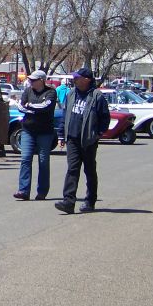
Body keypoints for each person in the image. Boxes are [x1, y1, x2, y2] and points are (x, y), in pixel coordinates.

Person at [54, 67, 111, 214]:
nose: (75, 80)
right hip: (72, 138)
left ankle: (90, 201)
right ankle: (68, 201)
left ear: (87, 80)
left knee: (89, 170)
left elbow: (105, 118)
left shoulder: (96, 96)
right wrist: (61, 135)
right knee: (72, 169)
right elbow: (65, 115)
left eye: (78, 77)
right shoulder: (71, 94)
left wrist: (97, 134)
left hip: (88, 140)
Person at [13, 70, 57, 200]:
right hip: (28, 130)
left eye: (34, 80)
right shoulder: (27, 91)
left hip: (45, 131)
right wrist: (31, 108)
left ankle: (42, 191)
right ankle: (23, 190)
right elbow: (20, 107)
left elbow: (46, 106)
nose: (31, 82)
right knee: (25, 159)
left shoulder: (51, 92)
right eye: (30, 80)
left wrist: (30, 106)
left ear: (42, 80)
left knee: (43, 161)